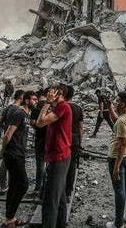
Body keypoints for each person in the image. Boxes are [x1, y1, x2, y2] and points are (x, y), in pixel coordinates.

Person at [35, 84, 73, 228]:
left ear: (59, 93)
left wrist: (47, 102)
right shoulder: (60, 107)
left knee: (50, 199)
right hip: (59, 155)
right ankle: (60, 224)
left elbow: (40, 123)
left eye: (52, 92)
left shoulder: (63, 107)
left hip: (59, 157)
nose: (49, 94)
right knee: (60, 196)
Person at [0, 91, 34, 228]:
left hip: (17, 153)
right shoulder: (19, 113)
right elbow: (8, 134)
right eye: (34, 99)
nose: (36, 101)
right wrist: (2, 151)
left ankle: (10, 218)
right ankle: (9, 218)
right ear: (26, 101)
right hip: (14, 154)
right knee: (23, 185)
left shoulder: (25, 115)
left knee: (13, 185)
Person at [105, 93, 126, 228]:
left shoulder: (123, 121)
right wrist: (110, 108)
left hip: (118, 158)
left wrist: (116, 166)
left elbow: (122, 144)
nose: (116, 103)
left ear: (123, 104)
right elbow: (117, 121)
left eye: (117, 101)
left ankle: (117, 223)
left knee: (119, 190)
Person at [0, 90, 26, 194]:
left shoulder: (7, 108)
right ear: (21, 98)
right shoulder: (19, 111)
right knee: (12, 165)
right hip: (15, 140)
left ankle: (3, 186)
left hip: (6, 137)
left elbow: (0, 123)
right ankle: (11, 187)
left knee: (4, 163)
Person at [66, 86, 83, 201]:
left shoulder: (60, 108)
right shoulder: (78, 108)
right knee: (72, 166)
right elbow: (81, 128)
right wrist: (80, 142)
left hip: (63, 139)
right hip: (75, 139)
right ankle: (68, 192)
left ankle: (59, 190)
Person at [31, 90, 48, 195]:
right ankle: (47, 187)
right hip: (50, 139)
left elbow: (33, 123)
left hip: (39, 138)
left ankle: (38, 187)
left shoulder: (36, 109)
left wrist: (38, 127)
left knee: (40, 164)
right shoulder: (51, 108)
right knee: (50, 164)